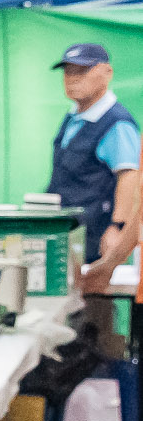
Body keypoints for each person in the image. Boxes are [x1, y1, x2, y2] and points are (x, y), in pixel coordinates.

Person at [48, 41, 139, 294]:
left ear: (106, 73)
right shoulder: (74, 115)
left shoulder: (117, 122)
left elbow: (129, 177)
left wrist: (117, 228)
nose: (73, 79)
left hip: (95, 237)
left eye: (82, 71)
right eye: (68, 72)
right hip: (69, 233)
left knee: (93, 309)